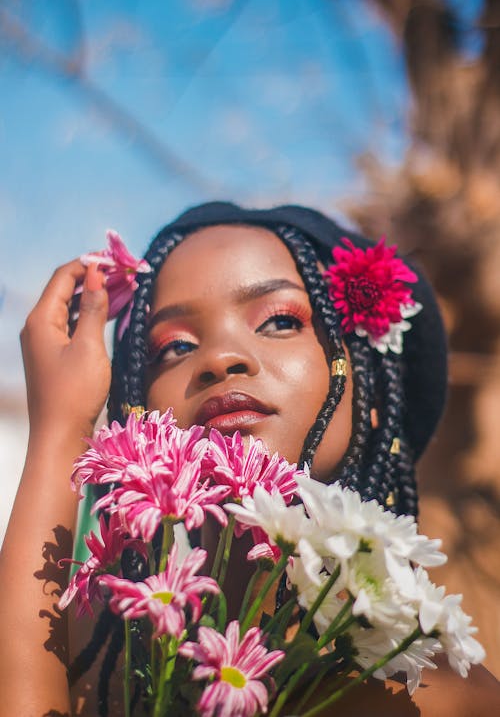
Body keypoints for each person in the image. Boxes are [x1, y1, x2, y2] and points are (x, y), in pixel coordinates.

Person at [0, 201, 498, 717]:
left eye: (280, 321)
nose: (220, 357)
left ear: (368, 391)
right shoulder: (88, 665)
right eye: (174, 347)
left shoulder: (425, 696)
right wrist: (61, 431)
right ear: (138, 409)